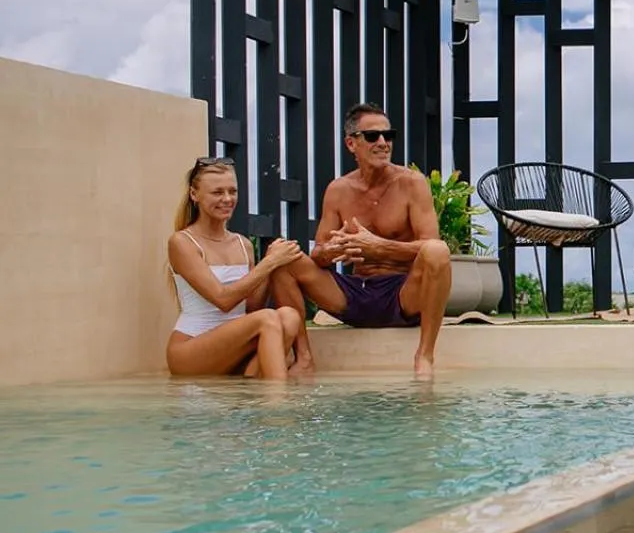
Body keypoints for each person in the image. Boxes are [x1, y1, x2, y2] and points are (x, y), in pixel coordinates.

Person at [270, 103, 451, 378]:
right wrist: (331, 251)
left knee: (438, 251)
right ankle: (304, 357)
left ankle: (424, 355)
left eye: (388, 136)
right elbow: (318, 253)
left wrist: (379, 247)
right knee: (283, 258)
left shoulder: (412, 183)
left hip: (403, 295)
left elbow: (430, 247)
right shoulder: (338, 189)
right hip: (355, 293)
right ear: (351, 143)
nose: (382, 143)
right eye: (372, 136)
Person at [167, 157, 306, 380]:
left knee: (288, 316)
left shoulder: (243, 244)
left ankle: (253, 386)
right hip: (190, 349)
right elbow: (223, 300)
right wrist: (268, 263)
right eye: (217, 192)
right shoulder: (182, 242)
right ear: (194, 195)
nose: (227, 199)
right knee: (267, 319)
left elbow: (251, 306)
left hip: (235, 347)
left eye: (232, 191)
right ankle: (279, 407)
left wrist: (274, 266)